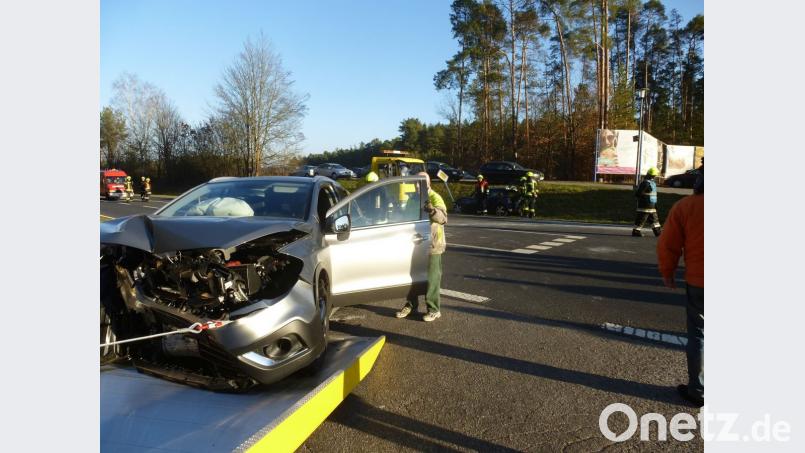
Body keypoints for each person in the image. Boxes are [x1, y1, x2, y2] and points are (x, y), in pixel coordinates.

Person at [657, 168, 704, 407]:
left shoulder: (686, 207)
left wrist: (668, 272)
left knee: (699, 334)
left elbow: (668, 244)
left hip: (700, 281)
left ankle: (699, 389)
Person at [396, 172, 447, 322]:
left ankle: (434, 309)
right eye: (417, 183)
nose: (418, 185)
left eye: (422, 182)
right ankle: (411, 305)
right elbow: (406, 218)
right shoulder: (413, 199)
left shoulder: (435, 197)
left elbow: (443, 218)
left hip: (433, 244)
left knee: (432, 278)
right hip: (415, 243)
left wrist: (432, 210)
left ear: (428, 183)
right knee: (411, 275)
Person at [632, 167, 662, 237]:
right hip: (651, 205)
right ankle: (658, 233)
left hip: (645, 205)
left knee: (642, 219)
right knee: (653, 220)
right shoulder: (652, 183)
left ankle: (636, 231)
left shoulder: (645, 183)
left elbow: (638, 194)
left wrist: (636, 190)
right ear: (654, 175)